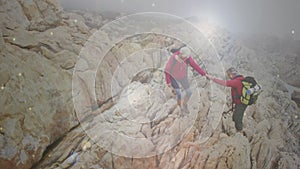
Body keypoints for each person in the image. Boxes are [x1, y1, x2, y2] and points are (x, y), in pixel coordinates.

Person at [165, 46, 207, 112]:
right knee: (179, 93)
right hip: (173, 77)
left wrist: (204, 74)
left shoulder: (188, 58)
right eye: (183, 58)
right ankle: (180, 108)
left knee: (189, 92)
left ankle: (184, 104)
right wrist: (169, 82)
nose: (185, 59)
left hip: (183, 77)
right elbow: (167, 70)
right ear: (180, 54)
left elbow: (195, 66)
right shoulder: (173, 58)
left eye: (186, 58)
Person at [207, 67, 247, 135]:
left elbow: (225, 83)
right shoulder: (241, 79)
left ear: (231, 75)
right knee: (235, 117)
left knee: (237, 118)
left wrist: (212, 78)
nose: (229, 77)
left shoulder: (236, 81)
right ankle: (238, 132)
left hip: (240, 103)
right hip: (240, 103)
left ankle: (241, 134)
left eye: (228, 75)